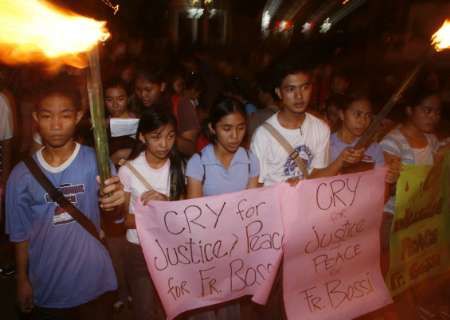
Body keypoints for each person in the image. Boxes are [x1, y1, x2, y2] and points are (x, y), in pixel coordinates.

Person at [5, 80, 126, 320]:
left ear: (78, 116)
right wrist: (22, 280)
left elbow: (114, 219)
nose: (57, 125)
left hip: (95, 282)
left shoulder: (97, 162)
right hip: (49, 286)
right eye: (48, 116)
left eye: (66, 115)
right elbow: (20, 234)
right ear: (36, 118)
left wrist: (117, 204)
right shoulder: (21, 176)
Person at [186, 97, 259, 319]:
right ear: (212, 128)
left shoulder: (250, 159)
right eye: (227, 128)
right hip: (206, 248)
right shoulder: (198, 162)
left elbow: (250, 207)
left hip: (235, 249)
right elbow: (194, 214)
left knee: (230, 308)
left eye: (240, 128)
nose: (235, 136)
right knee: (205, 309)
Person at [118, 108, 185, 320]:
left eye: (170, 136)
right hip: (139, 249)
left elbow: (185, 213)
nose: (164, 144)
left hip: (170, 248)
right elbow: (123, 220)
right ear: (142, 136)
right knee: (144, 309)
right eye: (156, 137)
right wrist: (152, 214)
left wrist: (165, 205)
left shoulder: (179, 166)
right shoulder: (128, 171)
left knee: (173, 307)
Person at [250, 60, 340, 188]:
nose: (299, 96)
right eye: (291, 89)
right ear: (279, 93)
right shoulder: (263, 136)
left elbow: (318, 174)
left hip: (307, 203)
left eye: (305, 88)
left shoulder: (321, 129)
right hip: (275, 205)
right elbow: (256, 186)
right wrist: (285, 189)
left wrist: (300, 185)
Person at [133, 67, 200, 157]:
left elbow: (190, 148)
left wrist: (165, 134)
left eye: (148, 90)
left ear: (162, 86)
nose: (143, 95)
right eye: (138, 90)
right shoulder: (137, 107)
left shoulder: (181, 104)